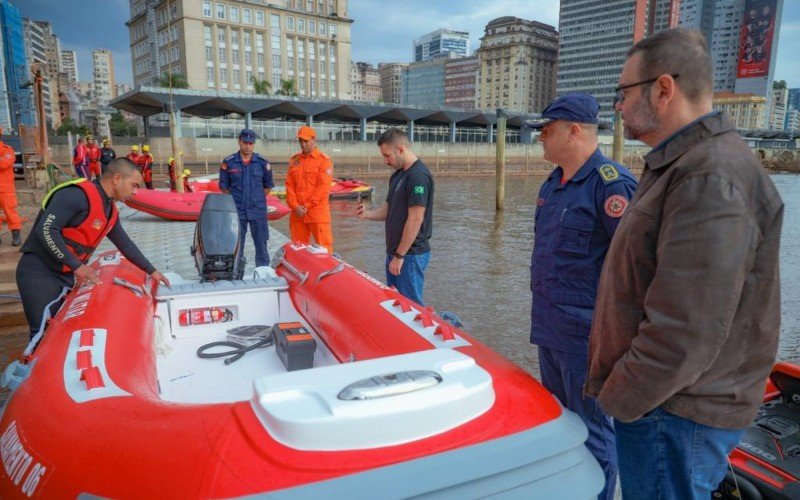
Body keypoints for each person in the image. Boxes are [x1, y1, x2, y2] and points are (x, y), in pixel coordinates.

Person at [585, 28, 783, 499]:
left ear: (663, 89)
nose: (617, 105)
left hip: (673, 414)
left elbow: (685, 328)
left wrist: (621, 400)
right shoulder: (687, 164)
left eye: (623, 92)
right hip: (669, 408)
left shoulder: (709, 175)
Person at [528, 94, 637, 500]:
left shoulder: (612, 185)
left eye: (547, 130)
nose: (540, 138)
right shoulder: (553, 185)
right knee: (559, 423)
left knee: (592, 431)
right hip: (550, 328)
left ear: (574, 131)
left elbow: (637, 270)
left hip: (587, 337)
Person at [16, 158, 170, 340]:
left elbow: (125, 244)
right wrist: (77, 266)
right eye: (133, 185)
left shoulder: (109, 210)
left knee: (59, 332)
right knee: (41, 335)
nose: (135, 192)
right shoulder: (75, 195)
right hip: (39, 273)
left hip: (64, 275)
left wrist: (151, 270)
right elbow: (46, 229)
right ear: (117, 178)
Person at [355, 128, 433, 305]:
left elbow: (415, 219)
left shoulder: (418, 176)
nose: (385, 161)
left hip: (409, 255)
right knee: (395, 302)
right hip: (395, 253)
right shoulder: (398, 175)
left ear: (401, 149)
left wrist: (400, 256)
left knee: (410, 305)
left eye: (387, 156)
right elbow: (387, 210)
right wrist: (366, 214)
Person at [219, 128, 274, 267]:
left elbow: (268, 186)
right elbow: (224, 187)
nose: (248, 146)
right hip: (237, 211)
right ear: (239, 141)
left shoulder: (262, 163)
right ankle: (236, 271)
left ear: (254, 144)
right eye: (245, 143)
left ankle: (263, 270)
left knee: (261, 243)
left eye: (251, 143)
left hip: (257, 210)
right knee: (236, 243)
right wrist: (236, 201)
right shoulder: (229, 162)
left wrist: (256, 199)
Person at [285, 126, 334, 253]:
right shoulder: (294, 160)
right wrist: (295, 206)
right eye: (300, 141)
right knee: (298, 249)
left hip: (317, 213)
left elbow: (323, 187)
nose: (303, 144)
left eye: (306, 141)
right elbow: (289, 185)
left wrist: (305, 206)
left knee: (324, 249)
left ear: (314, 140)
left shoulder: (323, 161)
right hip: (297, 214)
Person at [0, 128, 22, 246]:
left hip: (5, 189)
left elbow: (4, 164)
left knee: (10, 213)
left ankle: (16, 236)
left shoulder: (8, 150)